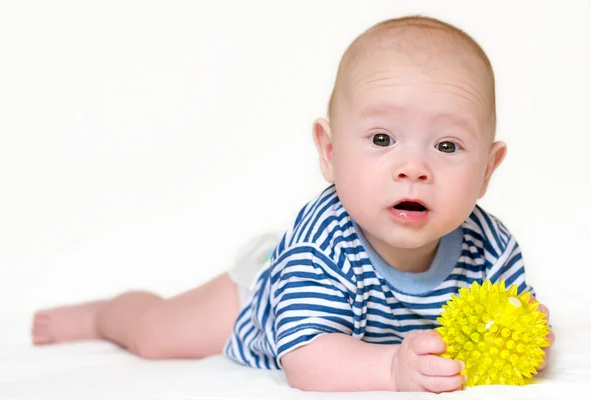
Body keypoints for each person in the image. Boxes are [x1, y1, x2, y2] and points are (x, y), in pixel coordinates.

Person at [31, 15, 555, 393]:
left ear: (488, 169)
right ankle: (101, 317)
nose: (413, 167)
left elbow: (510, 323)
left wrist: (525, 336)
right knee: (156, 335)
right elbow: (306, 361)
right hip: (260, 296)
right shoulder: (324, 245)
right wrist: (391, 369)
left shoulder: (490, 247)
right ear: (329, 152)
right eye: (381, 139)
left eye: (446, 146)